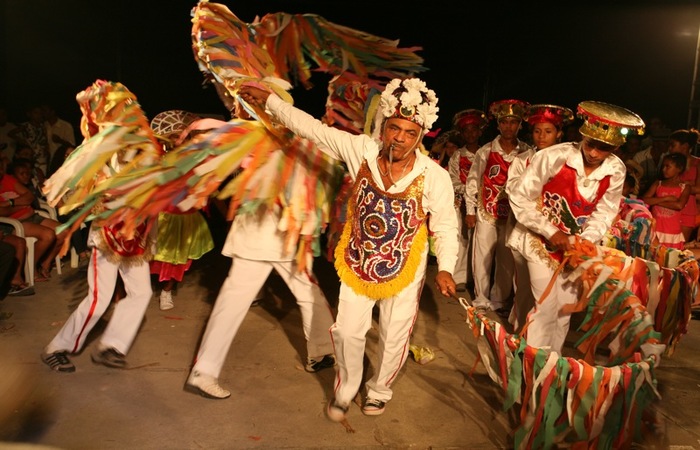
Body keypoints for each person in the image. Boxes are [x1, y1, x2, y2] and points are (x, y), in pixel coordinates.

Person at [239, 77, 459, 420]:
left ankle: (379, 390)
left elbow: (445, 225)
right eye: (394, 128)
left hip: (405, 265)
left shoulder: (435, 176)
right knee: (347, 331)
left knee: (393, 333)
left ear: (419, 137)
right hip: (358, 257)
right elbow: (310, 128)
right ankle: (346, 387)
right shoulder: (361, 150)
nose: (399, 138)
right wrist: (271, 102)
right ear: (383, 127)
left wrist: (445, 266)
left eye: (409, 132)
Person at [185, 97, 337, 400]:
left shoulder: (294, 141)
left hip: (283, 235)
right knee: (239, 302)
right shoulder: (252, 134)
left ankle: (321, 351)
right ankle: (204, 371)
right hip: (261, 234)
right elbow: (207, 134)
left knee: (308, 293)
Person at [507, 100, 644, 354]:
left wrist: (584, 243)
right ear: (582, 136)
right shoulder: (552, 157)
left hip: (576, 251)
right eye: (590, 144)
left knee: (564, 312)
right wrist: (552, 232)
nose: (593, 153)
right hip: (539, 242)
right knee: (545, 307)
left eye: (603, 148)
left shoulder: (616, 169)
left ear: (615, 147)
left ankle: (551, 368)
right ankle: (531, 369)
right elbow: (520, 197)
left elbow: (605, 212)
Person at [40, 81, 157, 372]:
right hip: (108, 233)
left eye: (131, 105)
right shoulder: (102, 145)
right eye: (123, 107)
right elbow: (88, 184)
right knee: (99, 298)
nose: (131, 111)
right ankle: (56, 348)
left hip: (135, 236)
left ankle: (111, 346)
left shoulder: (143, 146)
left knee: (141, 293)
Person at [506, 104, 573, 331]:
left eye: (548, 131)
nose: (542, 136)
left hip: (559, 233)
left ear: (559, 133)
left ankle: (543, 336)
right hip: (528, 230)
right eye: (537, 131)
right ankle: (521, 328)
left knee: (553, 290)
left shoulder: (569, 162)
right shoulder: (522, 160)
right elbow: (514, 192)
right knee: (524, 285)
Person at [464, 99, 531, 315]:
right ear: (498, 125)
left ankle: (500, 300)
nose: (509, 127)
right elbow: (473, 180)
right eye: (504, 122)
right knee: (482, 256)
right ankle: (481, 298)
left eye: (513, 122)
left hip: (513, 215)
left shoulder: (527, 153)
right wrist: (470, 210)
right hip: (486, 211)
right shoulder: (485, 151)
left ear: (520, 125)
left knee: (506, 260)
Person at [149, 110, 215, 311]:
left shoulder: (197, 157)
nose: (179, 139)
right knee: (155, 255)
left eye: (182, 135)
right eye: (175, 136)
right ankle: (143, 288)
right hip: (164, 213)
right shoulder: (159, 158)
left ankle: (166, 291)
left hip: (186, 215)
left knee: (179, 259)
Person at [448, 108, 488, 291]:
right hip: (462, 204)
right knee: (462, 239)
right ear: (462, 134)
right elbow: (453, 178)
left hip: (485, 204)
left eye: (474, 130)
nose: (471, 134)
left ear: (480, 132)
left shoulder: (487, 153)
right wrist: (467, 191)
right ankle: (460, 277)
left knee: (481, 242)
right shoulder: (458, 155)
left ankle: (478, 279)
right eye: (467, 131)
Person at [641, 152, 690, 250]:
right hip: (655, 229)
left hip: (672, 232)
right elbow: (644, 200)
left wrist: (655, 201)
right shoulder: (658, 183)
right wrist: (666, 198)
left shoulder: (685, 187)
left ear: (679, 169)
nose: (664, 170)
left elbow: (679, 205)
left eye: (668, 167)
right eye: (663, 166)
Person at [666, 129, 700, 242]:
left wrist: (678, 186)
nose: (669, 149)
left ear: (685, 146)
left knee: (679, 248)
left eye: (673, 145)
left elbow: (699, 188)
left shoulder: (698, 163)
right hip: (668, 207)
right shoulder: (668, 163)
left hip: (688, 210)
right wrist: (688, 186)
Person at [41, 105, 76, 175]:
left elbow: (72, 146)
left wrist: (60, 140)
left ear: (52, 112)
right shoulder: (43, 125)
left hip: (61, 162)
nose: (43, 113)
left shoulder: (65, 126)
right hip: (47, 162)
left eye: (45, 111)